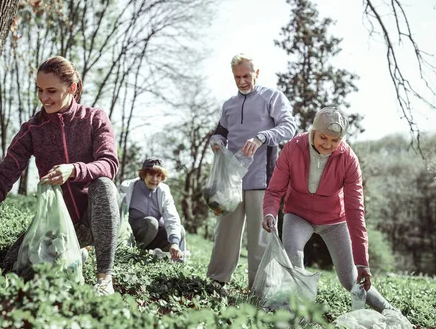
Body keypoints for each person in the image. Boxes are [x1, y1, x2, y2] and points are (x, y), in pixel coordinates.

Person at [0, 56, 120, 296]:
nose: (44, 97)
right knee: (13, 264)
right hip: (56, 223)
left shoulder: (94, 119)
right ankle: (75, 250)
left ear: (73, 88)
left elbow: (108, 164)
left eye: (51, 90)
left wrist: (74, 169)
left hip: (94, 220)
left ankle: (104, 279)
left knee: (104, 185)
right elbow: (3, 176)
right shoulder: (33, 129)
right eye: (39, 90)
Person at [262, 107, 395, 312]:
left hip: (334, 220)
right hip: (298, 215)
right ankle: (295, 314)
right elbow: (275, 189)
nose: (328, 145)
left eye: (335, 141)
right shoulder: (293, 148)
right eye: (323, 137)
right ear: (313, 130)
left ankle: (388, 309)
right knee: (294, 260)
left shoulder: (349, 159)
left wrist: (363, 263)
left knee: (350, 279)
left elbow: (355, 211)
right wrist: (270, 212)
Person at [207, 53, 296, 288]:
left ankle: (260, 289)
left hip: (263, 179)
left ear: (257, 73)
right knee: (225, 234)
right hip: (232, 182)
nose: (242, 81)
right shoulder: (229, 105)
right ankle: (217, 281)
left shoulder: (273, 98)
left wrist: (262, 137)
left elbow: (289, 127)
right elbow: (220, 133)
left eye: (247, 76)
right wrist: (216, 143)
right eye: (237, 77)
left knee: (261, 240)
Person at [120, 157, 186, 261]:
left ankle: (159, 257)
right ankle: (133, 256)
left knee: (179, 231)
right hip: (133, 233)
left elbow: (171, 215)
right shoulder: (128, 187)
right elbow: (118, 217)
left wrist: (174, 243)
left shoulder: (163, 191)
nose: (154, 179)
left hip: (154, 237)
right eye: (151, 174)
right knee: (151, 223)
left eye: (158, 176)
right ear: (144, 174)